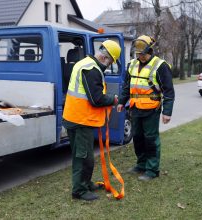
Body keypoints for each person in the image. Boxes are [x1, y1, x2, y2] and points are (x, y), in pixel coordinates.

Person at [62, 40, 121, 201]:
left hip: (77, 117)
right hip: (80, 120)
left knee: (86, 155)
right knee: (82, 156)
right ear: (105, 58)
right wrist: (113, 99)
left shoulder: (84, 63)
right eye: (110, 63)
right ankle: (79, 191)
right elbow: (96, 99)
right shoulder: (92, 70)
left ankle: (86, 183)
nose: (108, 66)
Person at [117, 35, 175, 181]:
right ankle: (141, 164)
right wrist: (121, 102)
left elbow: (168, 91)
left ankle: (152, 169)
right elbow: (126, 86)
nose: (141, 57)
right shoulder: (131, 65)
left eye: (143, 54)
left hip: (151, 110)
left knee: (150, 139)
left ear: (150, 50)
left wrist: (167, 112)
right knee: (137, 138)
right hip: (135, 109)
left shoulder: (160, 66)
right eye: (138, 54)